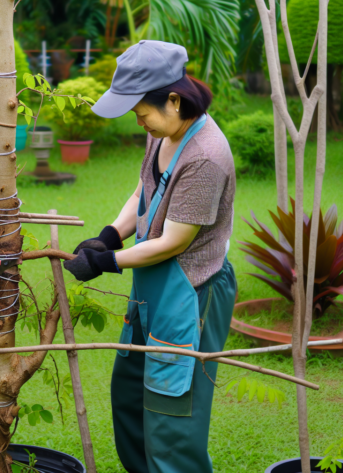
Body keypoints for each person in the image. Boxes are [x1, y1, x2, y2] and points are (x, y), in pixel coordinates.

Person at [63, 40, 238, 473]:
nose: (139, 121)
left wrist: (106, 262)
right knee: (129, 394)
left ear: (174, 100)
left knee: (171, 412)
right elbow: (145, 189)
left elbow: (175, 241)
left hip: (189, 292)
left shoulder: (206, 158)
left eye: (142, 112)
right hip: (150, 284)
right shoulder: (162, 130)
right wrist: (110, 235)